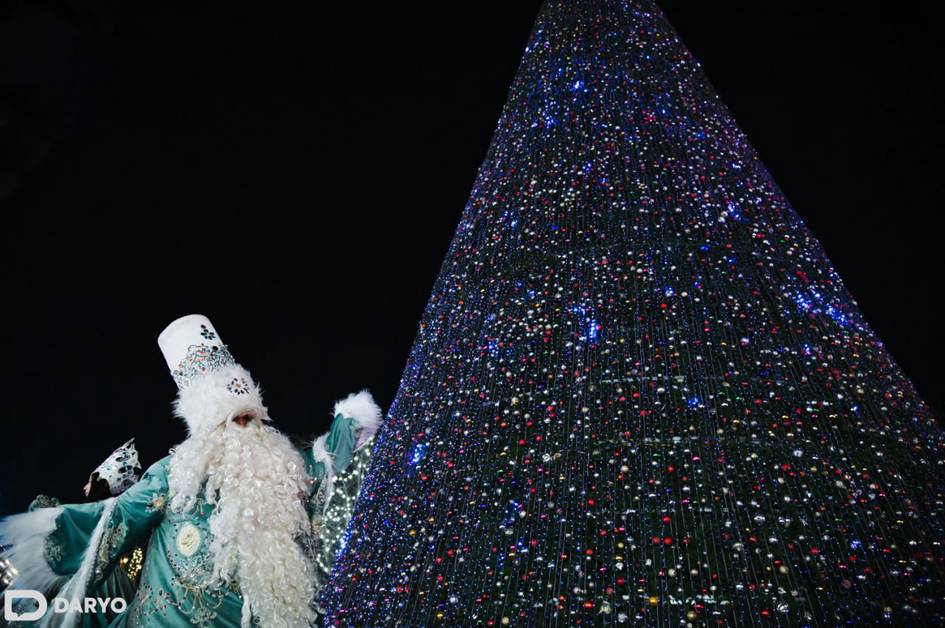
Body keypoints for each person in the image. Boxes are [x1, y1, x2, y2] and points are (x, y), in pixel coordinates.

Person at [0, 315, 381, 627]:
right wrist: (46, 536)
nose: (248, 429)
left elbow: (328, 456)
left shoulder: (286, 466)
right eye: (235, 420)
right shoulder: (174, 472)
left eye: (252, 418)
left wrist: (350, 420)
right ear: (208, 425)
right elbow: (115, 519)